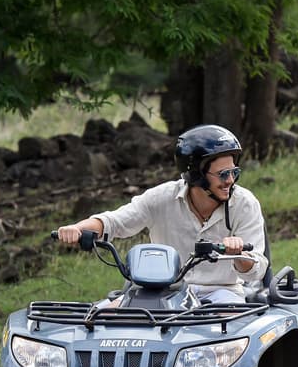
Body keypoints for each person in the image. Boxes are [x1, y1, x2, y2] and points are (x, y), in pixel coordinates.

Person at [56, 124, 269, 303]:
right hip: (161, 293)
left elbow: (256, 270)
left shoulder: (244, 203)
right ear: (196, 174)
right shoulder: (161, 197)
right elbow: (113, 222)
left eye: (234, 172)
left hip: (221, 293)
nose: (230, 180)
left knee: (230, 328)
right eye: (223, 174)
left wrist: (238, 255)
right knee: (101, 317)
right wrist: (76, 229)